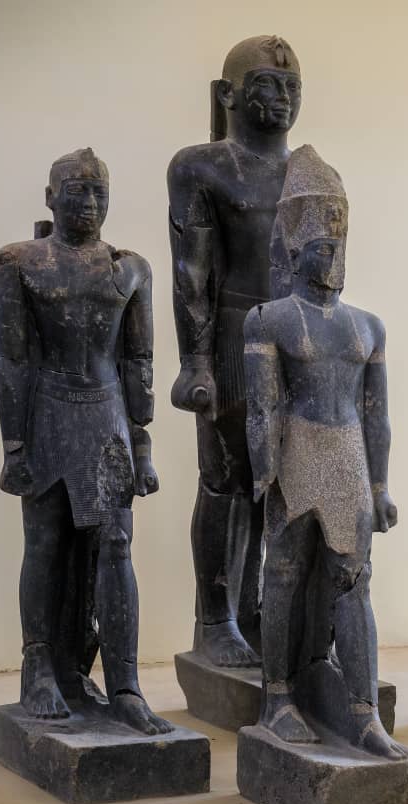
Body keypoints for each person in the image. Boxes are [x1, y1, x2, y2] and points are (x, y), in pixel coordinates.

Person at [0, 148, 171, 735]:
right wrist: (14, 447)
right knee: (45, 543)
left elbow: (138, 360)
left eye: (99, 191)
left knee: (116, 546)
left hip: (107, 417)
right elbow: (12, 360)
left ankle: (125, 684)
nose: (89, 202)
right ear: (50, 197)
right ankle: (40, 665)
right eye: (76, 190)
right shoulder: (21, 262)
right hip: (49, 410)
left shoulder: (130, 268)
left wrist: (141, 444)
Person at [243, 145, 408, 759]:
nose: (332, 257)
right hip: (298, 452)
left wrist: (380, 486)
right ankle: (277, 697)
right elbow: (263, 406)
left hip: (349, 458)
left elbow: (377, 414)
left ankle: (363, 712)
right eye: (320, 246)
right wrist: (264, 471)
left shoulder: (368, 325)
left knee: (354, 582)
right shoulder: (270, 320)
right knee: (283, 575)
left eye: (338, 246)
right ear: (294, 250)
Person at [167, 35, 303, 667]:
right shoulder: (201, 167)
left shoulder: (311, 172)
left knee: (288, 481)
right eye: (266, 85)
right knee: (227, 481)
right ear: (229, 95)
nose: (283, 97)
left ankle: (266, 611)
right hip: (233, 336)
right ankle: (217, 617)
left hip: (297, 341)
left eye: (292, 87)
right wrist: (195, 362)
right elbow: (191, 273)